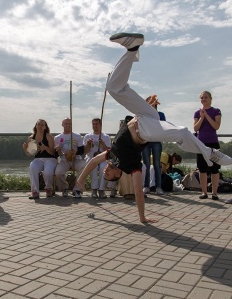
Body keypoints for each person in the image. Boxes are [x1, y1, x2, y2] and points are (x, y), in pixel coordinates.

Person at [74, 32, 232, 223]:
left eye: (105, 174)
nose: (106, 173)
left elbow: (91, 163)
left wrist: (81, 181)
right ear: (118, 174)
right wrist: (142, 218)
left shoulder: (109, 155)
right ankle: (211, 153)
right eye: (110, 177)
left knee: (115, 88)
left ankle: (132, 49)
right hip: (146, 130)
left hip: (143, 115)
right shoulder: (131, 167)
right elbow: (139, 193)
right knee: (182, 132)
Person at [194, 91, 221, 200]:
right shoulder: (197, 113)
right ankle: (204, 192)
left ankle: (214, 193)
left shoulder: (216, 111)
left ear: (210, 99)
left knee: (215, 168)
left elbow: (216, 126)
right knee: (202, 169)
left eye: (206, 97)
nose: (204, 99)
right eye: (202, 98)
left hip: (213, 143)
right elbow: (195, 128)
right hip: (201, 143)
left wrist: (206, 116)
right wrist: (201, 117)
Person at [54, 118, 92, 198]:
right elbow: (56, 153)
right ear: (62, 125)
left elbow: (81, 150)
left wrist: (76, 152)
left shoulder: (77, 136)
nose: (68, 125)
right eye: (66, 123)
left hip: (76, 159)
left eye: (69, 123)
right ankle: (64, 188)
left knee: (83, 166)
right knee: (58, 172)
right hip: (64, 159)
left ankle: (77, 189)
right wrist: (58, 150)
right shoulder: (57, 137)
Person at [23, 119, 57, 199]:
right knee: (32, 167)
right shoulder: (31, 138)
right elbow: (29, 154)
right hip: (38, 159)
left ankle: (48, 188)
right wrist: (25, 149)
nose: (40, 126)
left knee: (47, 172)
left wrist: (45, 148)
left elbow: (53, 152)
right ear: (36, 126)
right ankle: (35, 191)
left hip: (50, 159)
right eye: (38, 124)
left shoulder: (48, 136)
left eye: (42, 125)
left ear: (45, 127)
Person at [83, 118, 116, 198]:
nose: (95, 126)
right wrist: (88, 145)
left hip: (103, 158)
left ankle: (101, 190)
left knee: (103, 167)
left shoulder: (106, 137)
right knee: (93, 166)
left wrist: (103, 145)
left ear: (100, 125)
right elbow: (85, 152)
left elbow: (109, 151)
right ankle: (94, 189)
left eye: (97, 124)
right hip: (91, 157)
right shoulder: (88, 136)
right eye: (93, 124)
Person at [142, 95, 166, 195]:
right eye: (149, 102)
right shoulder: (143, 114)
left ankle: (158, 187)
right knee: (146, 164)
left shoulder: (160, 114)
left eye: (153, 102)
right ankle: (146, 186)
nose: (151, 104)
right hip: (146, 141)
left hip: (156, 141)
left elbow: (163, 126)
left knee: (156, 164)